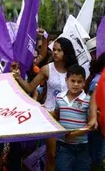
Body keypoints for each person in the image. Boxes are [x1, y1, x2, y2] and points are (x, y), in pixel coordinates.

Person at [13, 37, 79, 171]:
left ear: (66, 52)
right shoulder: (46, 69)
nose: (55, 53)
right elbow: (30, 88)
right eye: (54, 50)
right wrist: (18, 77)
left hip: (70, 116)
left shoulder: (75, 70)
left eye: (59, 50)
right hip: (50, 116)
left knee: (70, 155)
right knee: (52, 155)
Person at [52, 65, 93, 171]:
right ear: (66, 80)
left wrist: (72, 135)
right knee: (62, 168)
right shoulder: (60, 97)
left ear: (84, 83)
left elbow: (90, 124)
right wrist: (43, 112)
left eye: (79, 82)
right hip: (63, 145)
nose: (75, 84)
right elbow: (56, 115)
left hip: (82, 146)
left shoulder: (87, 100)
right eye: (72, 80)